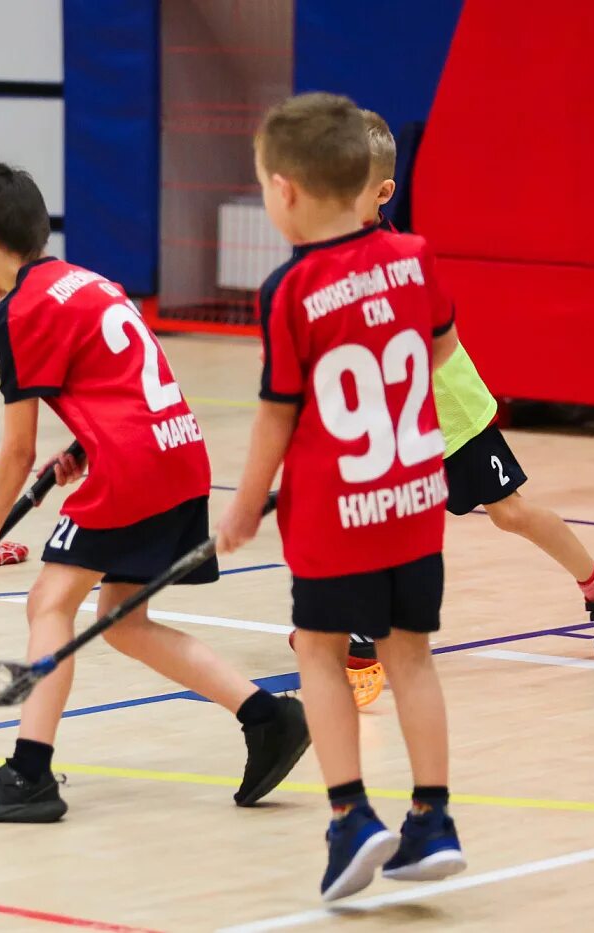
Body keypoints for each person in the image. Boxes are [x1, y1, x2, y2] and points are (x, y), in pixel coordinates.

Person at [0, 160, 310, 823]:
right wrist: (83, 443)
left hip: (133, 469)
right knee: (125, 620)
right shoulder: (89, 282)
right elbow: (125, 379)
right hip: (179, 455)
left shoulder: (18, 311)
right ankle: (267, 715)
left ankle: (30, 773)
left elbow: (15, 450)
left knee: (49, 599)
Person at [215, 93, 465, 900]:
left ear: (284, 191)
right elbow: (441, 350)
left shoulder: (291, 291)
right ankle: (432, 819)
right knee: (412, 658)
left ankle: (351, 814)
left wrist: (246, 504)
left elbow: (275, 418)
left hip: (335, 511)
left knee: (318, 650)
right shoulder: (417, 256)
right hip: (416, 495)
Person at [353, 110, 594, 663]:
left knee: (509, 513)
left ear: (384, 191)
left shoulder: (397, 259)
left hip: (448, 409)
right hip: (393, 418)